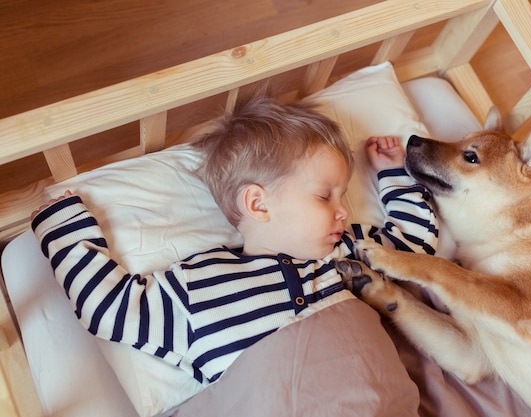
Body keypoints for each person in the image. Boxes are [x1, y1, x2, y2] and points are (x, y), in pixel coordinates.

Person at [31, 96, 438, 386]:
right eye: (324, 195)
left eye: (343, 197)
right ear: (258, 204)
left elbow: (413, 248)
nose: (344, 211)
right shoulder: (200, 285)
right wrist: (65, 227)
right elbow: (110, 306)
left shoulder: (346, 252)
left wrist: (396, 177)